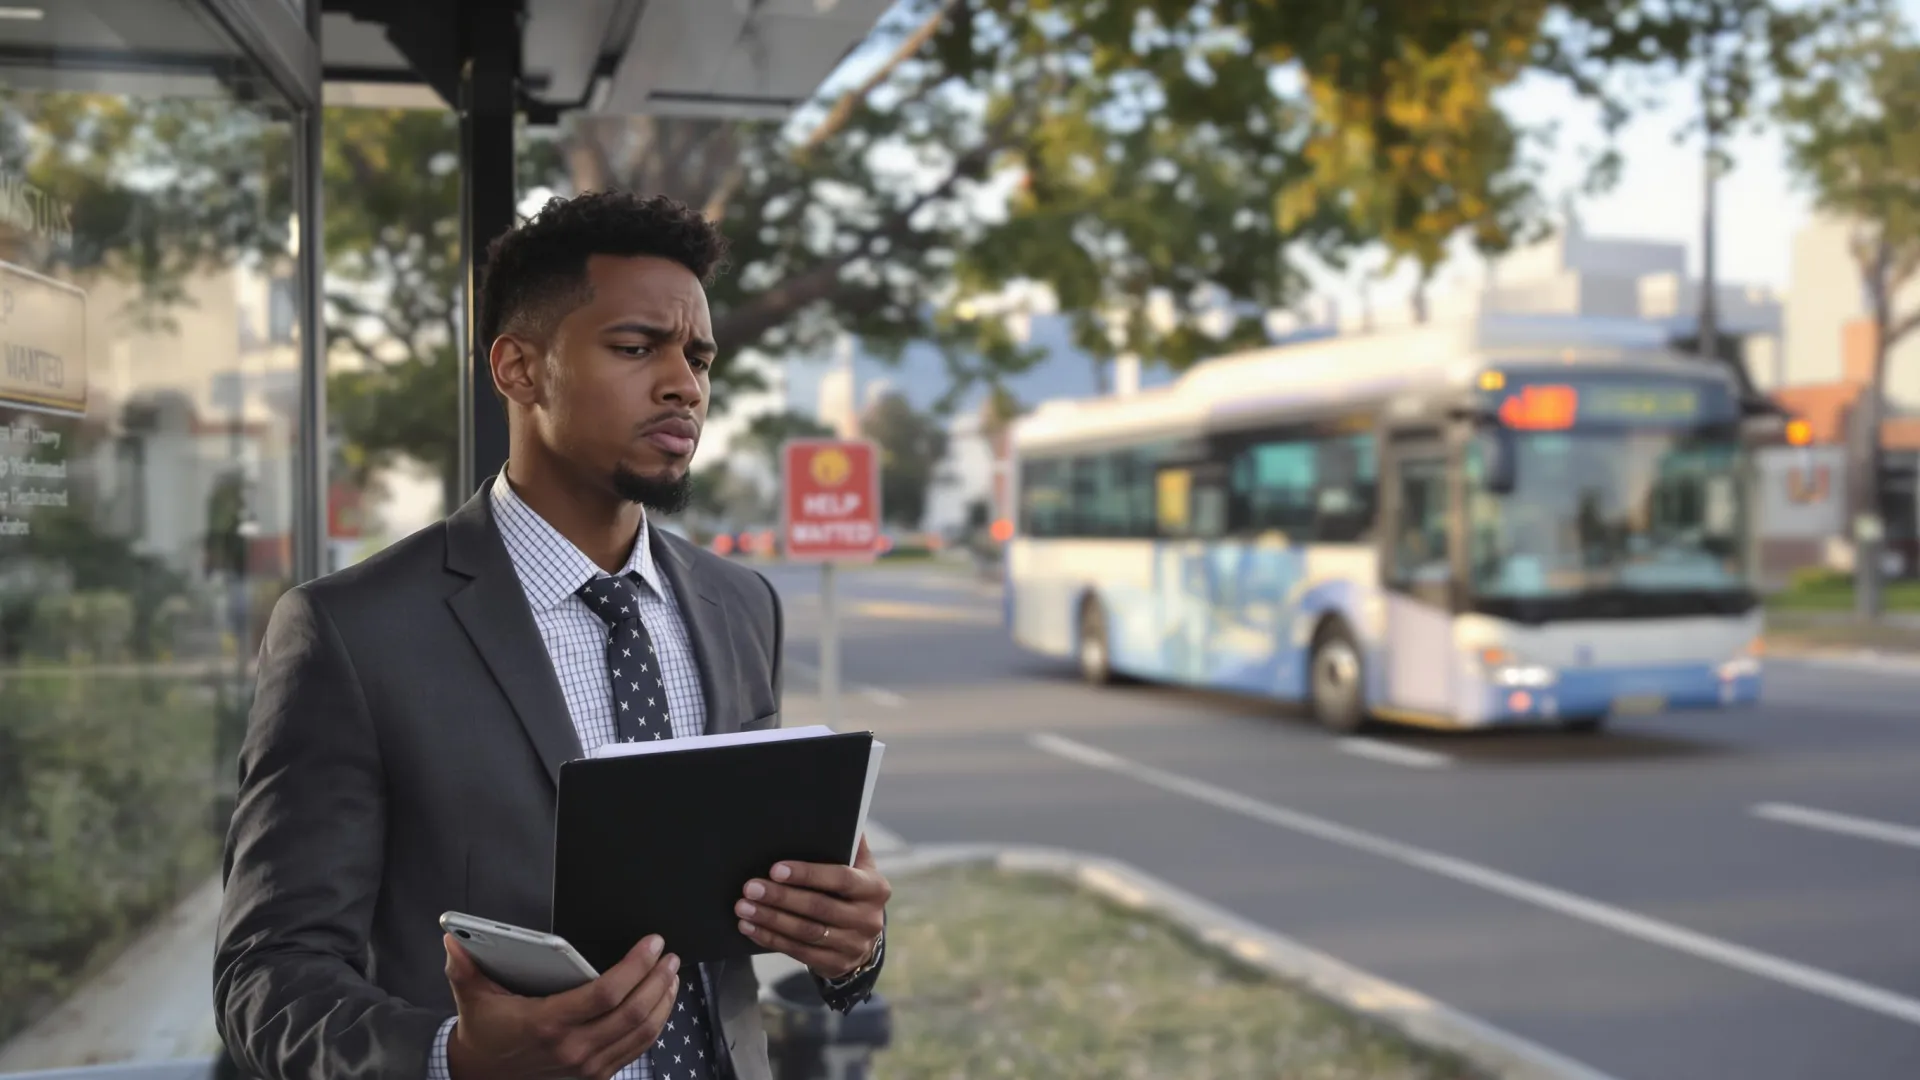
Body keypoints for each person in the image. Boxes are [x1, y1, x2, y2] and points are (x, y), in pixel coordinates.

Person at [214, 191, 890, 1080]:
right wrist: (450, 1060)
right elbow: (267, 974)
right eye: (636, 346)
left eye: (697, 355)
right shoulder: (350, 632)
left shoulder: (740, 605)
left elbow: (754, 909)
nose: (684, 383)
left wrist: (848, 947)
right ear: (518, 369)